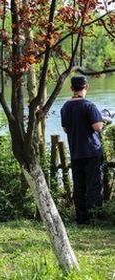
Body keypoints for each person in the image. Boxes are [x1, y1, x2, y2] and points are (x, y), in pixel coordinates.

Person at [60, 75, 104, 225]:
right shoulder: (89, 106)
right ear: (87, 87)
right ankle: (95, 217)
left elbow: (65, 129)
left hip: (76, 152)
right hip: (92, 151)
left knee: (78, 186)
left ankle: (81, 218)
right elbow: (97, 127)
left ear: (72, 88)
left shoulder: (65, 107)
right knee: (94, 184)